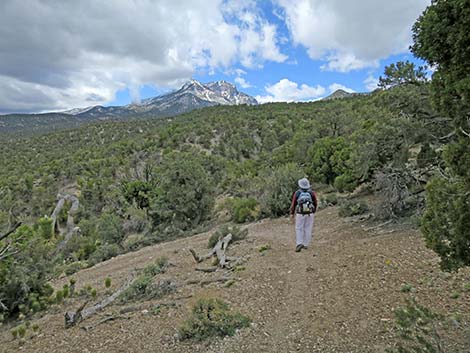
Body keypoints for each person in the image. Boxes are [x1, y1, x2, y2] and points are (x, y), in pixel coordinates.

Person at [290, 177, 317, 252]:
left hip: (300, 213)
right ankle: (305, 244)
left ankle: (299, 243)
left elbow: (294, 204)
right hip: (310, 213)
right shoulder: (311, 193)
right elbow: (315, 202)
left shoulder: (297, 193)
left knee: (299, 228)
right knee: (308, 228)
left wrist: (292, 213)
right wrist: (313, 211)